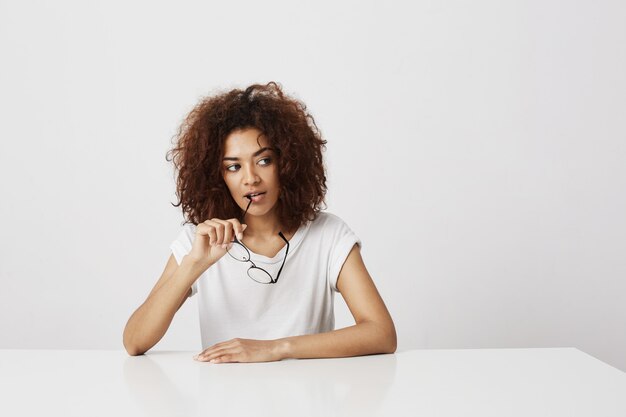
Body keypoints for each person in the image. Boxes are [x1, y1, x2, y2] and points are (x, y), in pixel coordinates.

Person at [123, 82, 397, 363]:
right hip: (226, 403)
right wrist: (194, 265)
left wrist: (276, 349)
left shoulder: (328, 235)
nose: (250, 178)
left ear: (287, 163)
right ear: (218, 177)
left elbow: (381, 333)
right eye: (233, 166)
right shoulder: (199, 242)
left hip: (309, 403)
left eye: (264, 160)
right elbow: (134, 341)